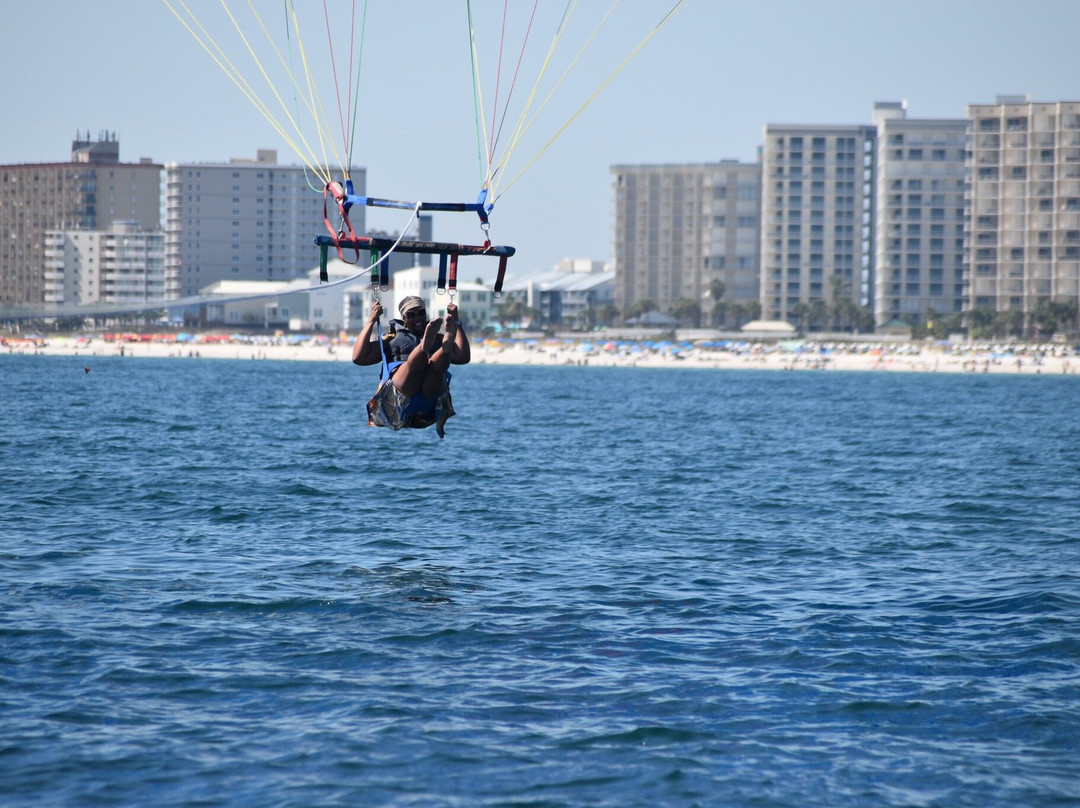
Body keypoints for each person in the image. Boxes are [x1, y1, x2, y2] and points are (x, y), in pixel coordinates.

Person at [352, 295, 471, 438]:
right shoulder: (391, 339)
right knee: (413, 367)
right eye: (411, 315)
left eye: (421, 313)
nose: (418, 318)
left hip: (429, 401)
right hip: (400, 395)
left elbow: (463, 357)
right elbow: (358, 357)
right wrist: (371, 320)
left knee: (436, 369)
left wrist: (455, 322)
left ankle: (445, 347)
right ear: (403, 318)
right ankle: (423, 348)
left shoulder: (437, 338)